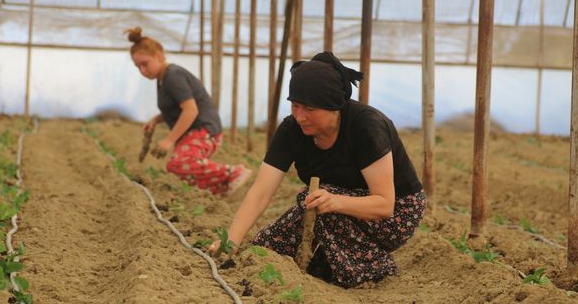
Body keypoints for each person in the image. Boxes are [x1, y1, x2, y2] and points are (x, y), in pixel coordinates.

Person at [209, 51, 426, 287]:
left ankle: (372, 269)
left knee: (314, 200)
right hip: (332, 204)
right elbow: (260, 192)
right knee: (267, 249)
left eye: (310, 109)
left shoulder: (366, 127)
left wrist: (336, 201)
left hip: (397, 213)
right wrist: (231, 240)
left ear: (334, 106)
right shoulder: (291, 130)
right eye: (295, 106)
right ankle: (328, 264)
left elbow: (384, 204)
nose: (300, 117)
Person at [126, 27, 251, 195]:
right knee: (179, 168)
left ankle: (235, 172)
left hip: (203, 130)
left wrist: (169, 140)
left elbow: (190, 110)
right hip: (197, 131)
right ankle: (221, 188)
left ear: (159, 56)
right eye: (137, 67)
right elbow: (176, 108)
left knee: (177, 164)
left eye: (145, 64)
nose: (142, 70)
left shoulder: (172, 76)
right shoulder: (162, 79)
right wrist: (155, 120)